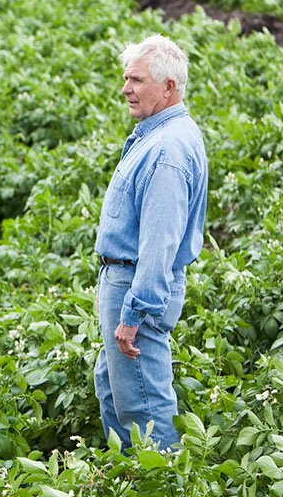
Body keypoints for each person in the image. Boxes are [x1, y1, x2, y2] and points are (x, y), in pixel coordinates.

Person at [93, 34, 208, 452]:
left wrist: (134, 312)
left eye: (136, 80)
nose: (126, 89)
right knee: (115, 395)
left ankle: (162, 479)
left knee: (145, 409)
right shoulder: (157, 134)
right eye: (126, 78)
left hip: (134, 287)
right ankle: (127, 477)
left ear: (168, 88)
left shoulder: (166, 151)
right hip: (123, 282)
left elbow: (160, 244)